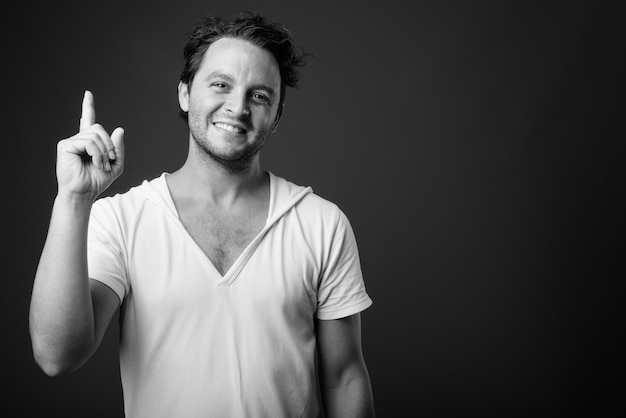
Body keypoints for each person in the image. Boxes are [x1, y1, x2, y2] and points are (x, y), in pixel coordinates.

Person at [29, 11, 375, 418]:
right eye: (221, 85)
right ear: (185, 94)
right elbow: (57, 355)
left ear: (277, 116)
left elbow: (345, 376)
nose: (238, 107)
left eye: (259, 95)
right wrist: (72, 198)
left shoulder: (322, 224)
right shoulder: (122, 219)